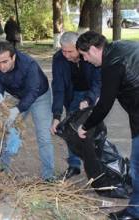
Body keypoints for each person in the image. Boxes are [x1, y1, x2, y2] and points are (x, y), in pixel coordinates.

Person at [76, 31, 139, 220]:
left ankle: (135, 213)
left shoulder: (111, 63)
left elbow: (104, 105)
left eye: (85, 55)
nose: (85, 60)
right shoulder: (122, 46)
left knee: (136, 166)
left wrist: (85, 126)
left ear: (94, 49)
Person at [0, 41, 54, 181]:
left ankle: (48, 176)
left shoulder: (28, 65)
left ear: (14, 57)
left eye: (5, 62)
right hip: (17, 97)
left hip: (39, 96)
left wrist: (17, 110)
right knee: (9, 131)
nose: (1, 66)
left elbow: (32, 91)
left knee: (44, 136)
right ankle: (2, 170)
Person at [50, 32, 101, 180]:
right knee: (71, 131)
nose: (66, 55)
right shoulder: (59, 59)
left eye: (70, 51)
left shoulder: (89, 54)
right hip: (72, 96)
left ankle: (98, 166)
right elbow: (58, 87)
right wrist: (57, 115)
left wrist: (90, 99)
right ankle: (74, 166)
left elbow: (98, 81)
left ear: (78, 47)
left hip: (93, 93)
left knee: (94, 129)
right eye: (63, 50)